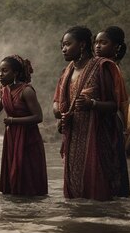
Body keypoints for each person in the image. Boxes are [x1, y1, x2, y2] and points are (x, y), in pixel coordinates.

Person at [53, 26, 124, 200]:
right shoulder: (66, 72)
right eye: (62, 45)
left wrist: (92, 103)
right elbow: (56, 104)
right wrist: (60, 115)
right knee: (75, 196)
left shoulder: (101, 67)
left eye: (68, 44)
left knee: (98, 190)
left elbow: (115, 105)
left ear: (83, 45)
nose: (64, 49)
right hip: (73, 137)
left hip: (98, 137)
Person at [0, 55, 48, 196]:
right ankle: (15, 209)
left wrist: (13, 121)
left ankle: (30, 210)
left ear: (15, 73)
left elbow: (38, 117)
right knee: (13, 177)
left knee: (28, 176)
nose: (0, 74)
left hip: (28, 139)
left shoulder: (26, 90)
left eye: (5, 71)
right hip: (12, 138)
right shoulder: (5, 90)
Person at [94, 26, 130, 197]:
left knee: (112, 166)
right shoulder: (98, 67)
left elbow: (117, 102)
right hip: (99, 123)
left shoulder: (111, 68)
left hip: (110, 123)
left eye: (103, 42)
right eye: (96, 42)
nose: (98, 46)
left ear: (116, 47)